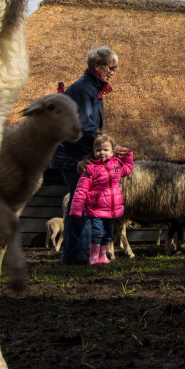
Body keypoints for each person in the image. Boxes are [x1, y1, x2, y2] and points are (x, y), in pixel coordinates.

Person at [49, 46, 127, 264]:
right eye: (110, 68)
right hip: (73, 155)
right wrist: (108, 146)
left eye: (115, 68)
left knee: (79, 202)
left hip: (77, 153)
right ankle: (76, 254)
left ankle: (75, 253)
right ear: (97, 66)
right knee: (80, 203)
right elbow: (84, 126)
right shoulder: (85, 89)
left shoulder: (92, 89)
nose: (113, 72)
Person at [69, 135, 133, 265]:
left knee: (108, 234)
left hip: (111, 208)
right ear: (94, 151)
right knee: (97, 232)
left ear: (112, 152)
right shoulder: (90, 169)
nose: (102, 153)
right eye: (98, 150)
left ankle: (103, 255)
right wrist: (76, 210)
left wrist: (128, 154)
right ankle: (93, 256)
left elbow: (128, 169)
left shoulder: (116, 166)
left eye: (105, 150)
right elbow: (81, 190)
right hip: (96, 208)